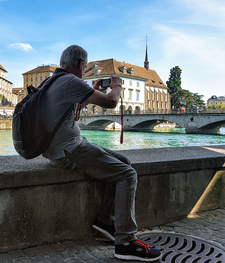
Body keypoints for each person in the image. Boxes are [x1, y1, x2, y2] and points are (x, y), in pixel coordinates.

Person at [41, 45, 161, 262]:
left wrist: (93, 91)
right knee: (127, 174)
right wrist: (116, 86)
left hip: (60, 147)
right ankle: (125, 241)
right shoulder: (70, 81)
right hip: (69, 149)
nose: (85, 69)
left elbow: (72, 110)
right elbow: (112, 102)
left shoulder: (53, 80)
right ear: (80, 64)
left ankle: (105, 221)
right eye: (85, 66)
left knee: (123, 161)